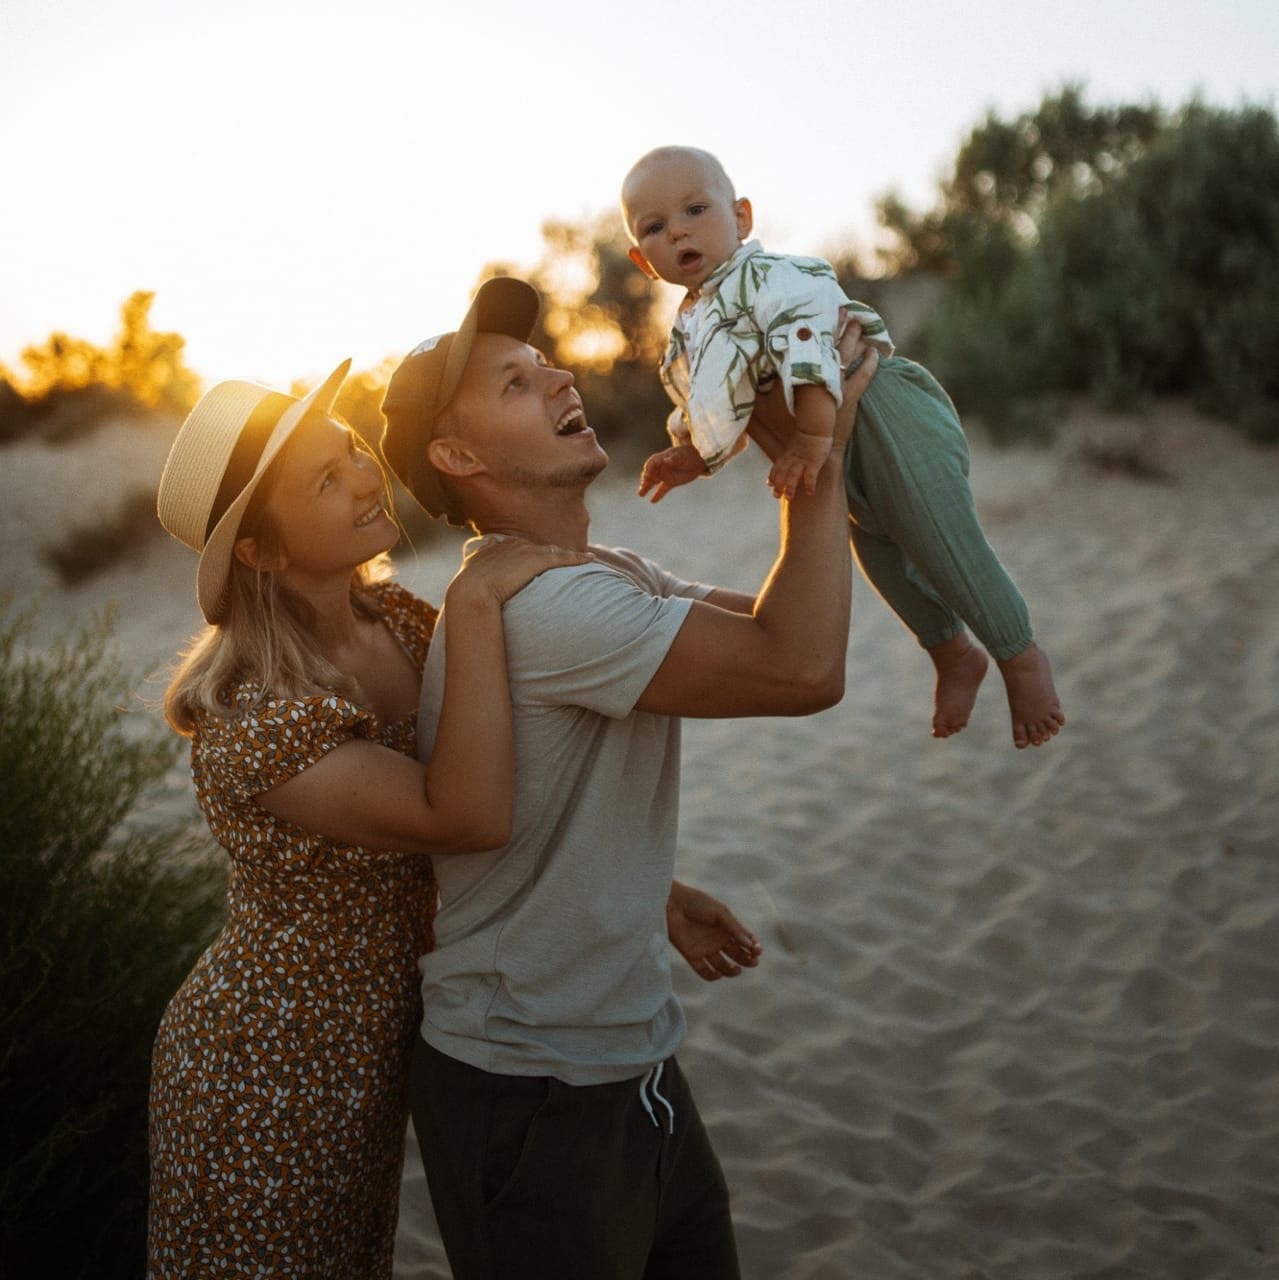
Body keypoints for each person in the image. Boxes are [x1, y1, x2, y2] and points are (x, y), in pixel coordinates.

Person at [378, 274, 877, 1280]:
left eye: (544, 362)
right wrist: (820, 449)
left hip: (628, 1059)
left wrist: (792, 443)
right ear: (458, 457)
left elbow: (792, 616)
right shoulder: (548, 612)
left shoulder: (608, 575)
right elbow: (801, 666)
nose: (557, 376)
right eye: (517, 383)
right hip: (531, 1091)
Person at [146, 359, 582, 1279]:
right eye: (323, 479)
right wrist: (475, 594)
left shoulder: (397, 622)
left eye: (349, 450)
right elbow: (461, 813)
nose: (361, 476)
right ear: (260, 552)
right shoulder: (253, 716)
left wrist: (658, 894)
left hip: (378, 1050)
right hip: (269, 1066)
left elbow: (504, 780)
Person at [620, 144, 1065, 751]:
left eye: (695, 209)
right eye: (655, 227)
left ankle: (1021, 657)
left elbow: (809, 342)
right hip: (834, 450)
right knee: (882, 557)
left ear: (742, 217)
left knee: (941, 542)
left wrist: (810, 437)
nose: (678, 231)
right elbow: (712, 400)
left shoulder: (770, 278)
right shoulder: (690, 329)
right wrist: (691, 452)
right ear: (642, 261)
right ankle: (953, 652)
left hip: (886, 419)